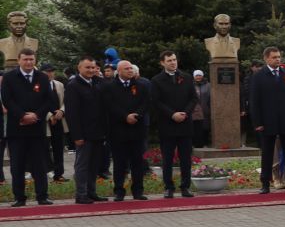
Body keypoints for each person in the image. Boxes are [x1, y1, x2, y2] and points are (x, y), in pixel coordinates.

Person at [1, 47, 56, 205]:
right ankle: (19, 198)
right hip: (16, 129)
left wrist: (36, 115)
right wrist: (23, 116)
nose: (28, 62)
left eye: (31, 59)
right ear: (19, 60)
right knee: (17, 165)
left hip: (37, 129)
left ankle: (42, 196)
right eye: (25, 59)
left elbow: (49, 100)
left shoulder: (42, 78)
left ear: (35, 61)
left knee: (40, 164)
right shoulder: (9, 77)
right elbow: (7, 100)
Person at [247, 47, 285, 193]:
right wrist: (257, 123)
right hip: (267, 122)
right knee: (267, 154)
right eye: (274, 57)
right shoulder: (259, 77)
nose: (277, 59)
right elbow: (254, 101)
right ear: (266, 59)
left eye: (279, 57)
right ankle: (265, 184)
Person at [148, 51, 198, 199]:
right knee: (168, 158)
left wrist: (184, 113)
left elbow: (193, 98)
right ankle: (168, 187)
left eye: (175, 59)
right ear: (162, 63)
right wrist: (172, 114)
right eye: (169, 60)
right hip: (167, 124)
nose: (173, 62)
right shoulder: (156, 80)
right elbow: (156, 102)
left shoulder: (187, 77)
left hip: (185, 124)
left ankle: (185, 187)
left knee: (185, 158)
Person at [104, 58, 152, 200]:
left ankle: (138, 191)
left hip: (137, 129)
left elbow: (146, 103)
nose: (130, 70)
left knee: (137, 162)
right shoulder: (110, 87)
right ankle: (119, 191)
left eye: (131, 68)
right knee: (120, 163)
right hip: (118, 130)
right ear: (119, 71)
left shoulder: (141, 85)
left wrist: (137, 115)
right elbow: (110, 106)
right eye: (127, 69)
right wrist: (125, 116)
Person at [64, 57, 107, 203]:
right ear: (79, 68)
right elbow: (71, 113)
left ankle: (91, 192)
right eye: (87, 67)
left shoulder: (98, 82)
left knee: (94, 164)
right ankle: (81, 194)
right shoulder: (73, 85)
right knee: (82, 165)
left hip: (97, 132)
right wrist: (76, 135)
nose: (90, 70)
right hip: (83, 133)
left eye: (93, 67)